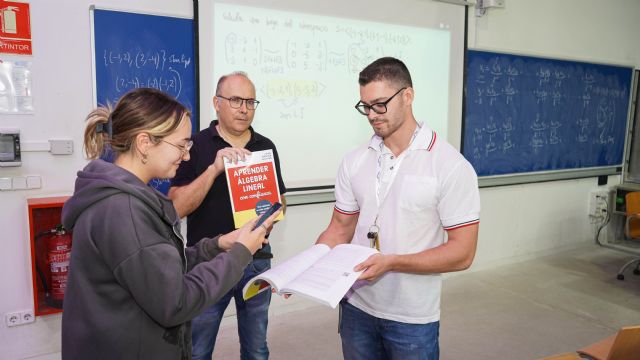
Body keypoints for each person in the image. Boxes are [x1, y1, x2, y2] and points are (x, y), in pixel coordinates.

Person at [60, 87, 281, 360]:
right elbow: (176, 302)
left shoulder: (129, 199)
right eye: (181, 145)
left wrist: (218, 245)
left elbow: (159, 264)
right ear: (144, 143)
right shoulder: (124, 211)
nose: (187, 156)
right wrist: (239, 254)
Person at [315, 57, 481, 360]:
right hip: (355, 306)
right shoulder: (354, 161)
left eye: (380, 104)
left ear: (408, 96)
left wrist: (391, 262)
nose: (371, 115)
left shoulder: (450, 166)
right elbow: (339, 228)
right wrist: (304, 268)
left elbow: (463, 253)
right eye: (365, 106)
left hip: (412, 318)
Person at [169, 71, 287, 360]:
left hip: (256, 260)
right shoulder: (194, 146)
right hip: (207, 261)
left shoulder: (265, 146)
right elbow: (176, 207)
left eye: (250, 101)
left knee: (257, 348)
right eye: (235, 100)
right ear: (216, 103)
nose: (244, 108)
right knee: (197, 349)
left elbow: (280, 202)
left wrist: (272, 214)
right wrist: (213, 170)